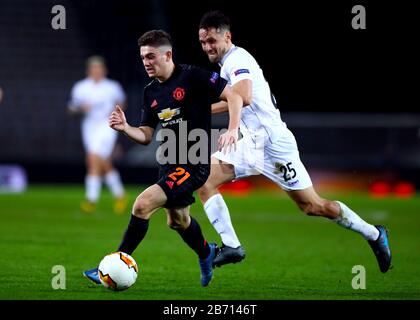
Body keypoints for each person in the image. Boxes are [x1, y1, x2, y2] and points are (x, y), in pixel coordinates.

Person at [196, 10, 392, 272]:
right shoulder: (227, 63)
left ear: (227, 37)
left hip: (268, 141)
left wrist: (226, 127)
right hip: (263, 141)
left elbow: (242, 96)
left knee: (312, 206)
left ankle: (374, 235)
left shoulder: (236, 59)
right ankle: (374, 234)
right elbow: (239, 100)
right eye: (203, 42)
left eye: (212, 41)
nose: (207, 47)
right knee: (205, 179)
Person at [83, 30, 243, 287]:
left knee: (142, 204)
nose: (146, 62)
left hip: (193, 162)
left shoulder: (194, 76)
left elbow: (234, 95)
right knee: (177, 221)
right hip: (168, 162)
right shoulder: (151, 92)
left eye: (151, 56)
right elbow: (146, 135)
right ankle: (207, 252)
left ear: (167, 55)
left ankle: (114, 262)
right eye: (143, 57)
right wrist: (126, 128)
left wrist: (233, 128)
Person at [69, 56, 127, 214]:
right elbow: (71, 108)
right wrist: (81, 108)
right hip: (89, 127)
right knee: (101, 162)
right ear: (89, 70)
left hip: (107, 126)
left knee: (92, 158)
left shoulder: (112, 86)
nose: (96, 71)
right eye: (93, 68)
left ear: (104, 70)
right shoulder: (81, 87)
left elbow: (122, 103)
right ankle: (120, 195)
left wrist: (116, 113)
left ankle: (91, 199)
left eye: (99, 68)